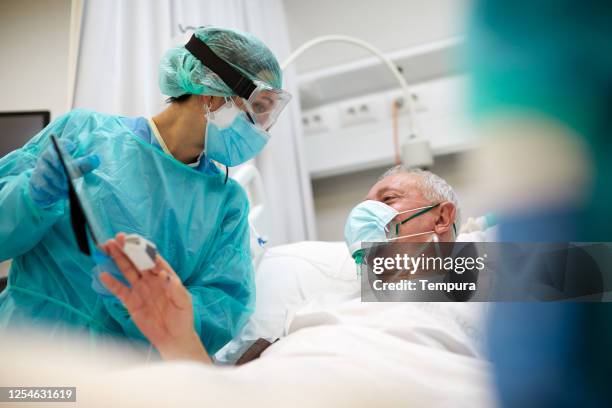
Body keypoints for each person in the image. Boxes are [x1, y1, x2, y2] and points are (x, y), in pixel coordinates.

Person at [0, 26, 290, 355]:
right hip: (21, 350)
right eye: (258, 106)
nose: (263, 128)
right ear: (211, 92)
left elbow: (220, 312)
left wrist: (152, 301)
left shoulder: (227, 204)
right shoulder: (83, 132)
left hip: (120, 376)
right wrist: (29, 198)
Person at [99, 165, 479, 363]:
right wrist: (177, 336)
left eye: (388, 199)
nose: (368, 215)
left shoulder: (475, 276)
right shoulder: (320, 310)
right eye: (364, 207)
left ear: (442, 218)